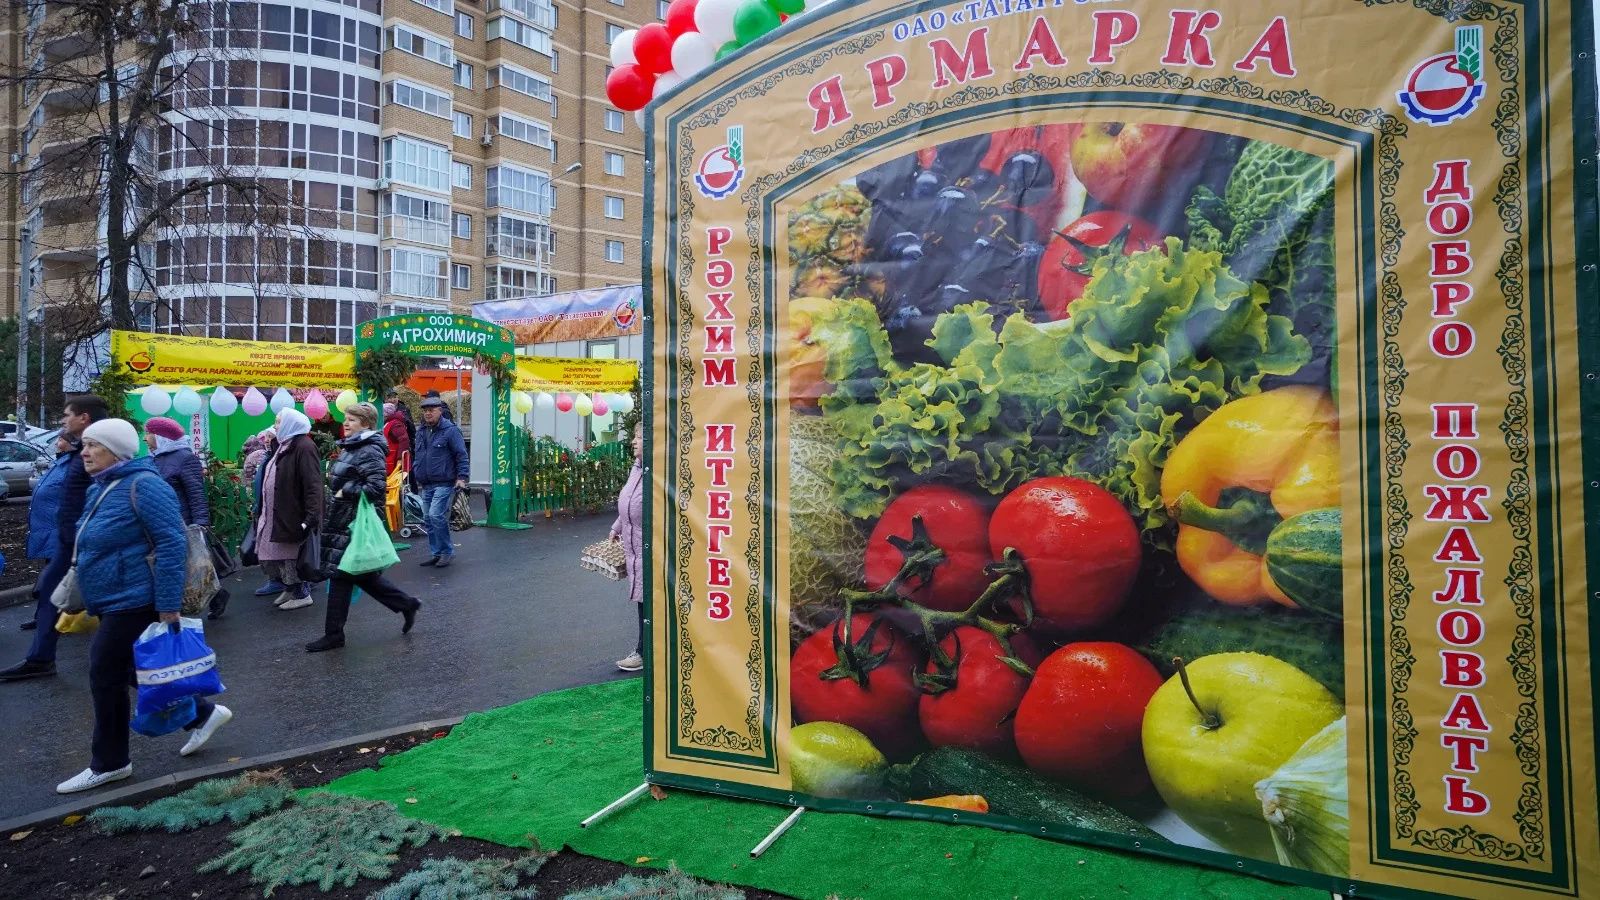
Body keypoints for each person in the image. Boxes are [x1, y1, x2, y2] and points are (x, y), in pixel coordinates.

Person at [55, 418, 233, 794]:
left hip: (136, 599)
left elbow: (172, 545)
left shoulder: (145, 485)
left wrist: (168, 605)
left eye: (93, 445)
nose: (84, 452)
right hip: (112, 596)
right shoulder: (104, 485)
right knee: (131, 671)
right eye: (83, 445)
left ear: (117, 450)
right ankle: (202, 714)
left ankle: (110, 762)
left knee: (104, 674)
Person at [0, 395, 110, 682]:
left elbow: (110, 491)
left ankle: (142, 668)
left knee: (114, 607)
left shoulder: (101, 448)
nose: (62, 420)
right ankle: (41, 657)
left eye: (66, 414)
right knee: (52, 593)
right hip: (70, 541)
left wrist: (90, 537)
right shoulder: (83, 448)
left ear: (83, 417)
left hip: (84, 541)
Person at [306, 403, 421, 652]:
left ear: (366, 424)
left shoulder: (368, 449)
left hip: (354, 522)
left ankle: (334, 635)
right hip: (345, 518)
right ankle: (406, 604)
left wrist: (343, 491)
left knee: (342, 575)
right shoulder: (352, 446)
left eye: (352, 420)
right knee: (359, 576)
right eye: (346, 419)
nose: (346, 424)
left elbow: (375, 488)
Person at [144, 418, 230, 620]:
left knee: (192, 564)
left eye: (148, 433)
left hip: (183, 522)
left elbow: (196, 493)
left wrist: (200, 523)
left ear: (160, 436)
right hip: (161, 522)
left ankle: (214, 596)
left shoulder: (184, 457)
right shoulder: (154, 458)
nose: (145, 438)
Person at [253, 408, 325, 610]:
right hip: (281, 510)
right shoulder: (285, 445)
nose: (275, 426)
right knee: (281, 552)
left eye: (278, 422)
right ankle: (290, 587)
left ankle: (302, 593)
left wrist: (311, 515)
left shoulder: (304, 446)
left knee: (292, 553)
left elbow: (312, 483)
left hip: (294, 510)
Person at [411, 396, 467, 568]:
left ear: (440, 411)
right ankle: (436, 553)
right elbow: (419, 454)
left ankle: (446, 552)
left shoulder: (450, 431)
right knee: (428, 518)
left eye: (431, 410)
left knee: (436, 515)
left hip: (444, 482)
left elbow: (461, 455)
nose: (428, 413)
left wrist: (462, 477)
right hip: (426, 483)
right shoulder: (421, 431)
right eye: (425, 410)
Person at [609, 428, 645, 672]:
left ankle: (644, 652)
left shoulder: (657, 470)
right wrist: (617, 527)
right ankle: (645, 651)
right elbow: (629, 500)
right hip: (635, 546)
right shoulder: (637, 467)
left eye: (640, 437)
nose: (633, 441)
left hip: (649, 548)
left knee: (650, 602)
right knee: (644, 601)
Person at [382, 403, 410, 475]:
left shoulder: (395, 424)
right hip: (390, 460)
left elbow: (404, 440)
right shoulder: (389, 423)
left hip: (394, 461)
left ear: (386, 414)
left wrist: (400, 459)